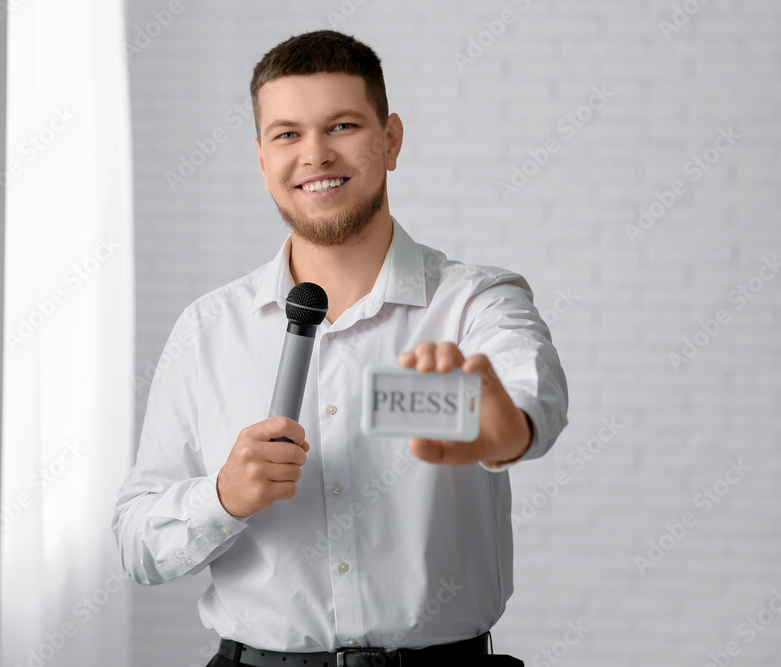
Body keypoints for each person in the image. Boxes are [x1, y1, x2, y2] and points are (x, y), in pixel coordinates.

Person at [113, 29, 568, 667]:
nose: (315, 154)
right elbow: (136, 543)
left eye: (344, 125)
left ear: (391, 140)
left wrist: (499, 431)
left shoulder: (475, 303)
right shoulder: (207, 330)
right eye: (287, 134)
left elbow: (528, 405)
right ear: (262, 157)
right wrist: (221, 498)